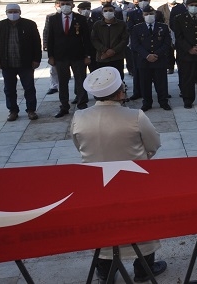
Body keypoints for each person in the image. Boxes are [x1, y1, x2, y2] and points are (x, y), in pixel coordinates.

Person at [71, 67, 167, 283]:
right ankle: (143, 269)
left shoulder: (79, 117)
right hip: (133, 180)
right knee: (140, 220)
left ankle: (105, 269)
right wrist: (140, 158)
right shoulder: (135, 116)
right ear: (120, 92)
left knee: (102, 221)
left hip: (96, 181)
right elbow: (154, 144)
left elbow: (79, 146)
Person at [0, 4, 41, 121]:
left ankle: (31, 110)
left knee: (29, 88)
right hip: (7, 64)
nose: (13, 14)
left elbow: (36, 43)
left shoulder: (29, 24)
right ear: (6, 12)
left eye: (15, 11)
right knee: (9, 89)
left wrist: (36, 59)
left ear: (20, 12)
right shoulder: (0, 25)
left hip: (25, 63)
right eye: (10, 12)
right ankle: (13, 111)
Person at [46, 0, 92, 118]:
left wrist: (88, 55)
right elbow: (50, 38)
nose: (65, 6)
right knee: (62, 82)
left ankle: (82, 104)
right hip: (60, 56)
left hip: (78, 55)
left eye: (68, 4)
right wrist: (50, 56)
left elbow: (86, 38)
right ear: (59, 5)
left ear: (73, 5)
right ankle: (64, 106)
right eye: (63, 4)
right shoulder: (53, 19)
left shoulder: (80, 19)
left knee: (81, 80)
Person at [131, 5, 172, 111]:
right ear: (143, 15)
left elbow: (167, 43)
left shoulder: (163, 27)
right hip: (144, 61)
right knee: (145, 84)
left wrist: (156, 54)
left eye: (151, 14)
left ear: (155, 14)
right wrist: (147, 55)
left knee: (161, 83)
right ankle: (147, 103)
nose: (149, 16)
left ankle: (163, 102)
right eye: (146, 14)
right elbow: (135, 45)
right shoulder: (137, 28)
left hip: (160, 60)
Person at [90, 3, 129, 80]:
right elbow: (94, 39)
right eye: (106, 11)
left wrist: (114, 51)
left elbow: (125, 40)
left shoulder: (121, 24)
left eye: (110, 10)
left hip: (117, 57)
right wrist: (105, 50)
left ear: (114, 12)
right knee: (103, 79)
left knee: (118, 78)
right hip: (102, 57)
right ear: (102, 13)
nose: (108, 12)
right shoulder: (97, 25)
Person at [42, 0, 62, 95]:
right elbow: (46, 30)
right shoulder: (50, 17)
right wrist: (45, 43)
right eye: (57, 5)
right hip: (55, 46)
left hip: (70, 47)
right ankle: (54, 86)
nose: (59, 7)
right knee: (54, 68)